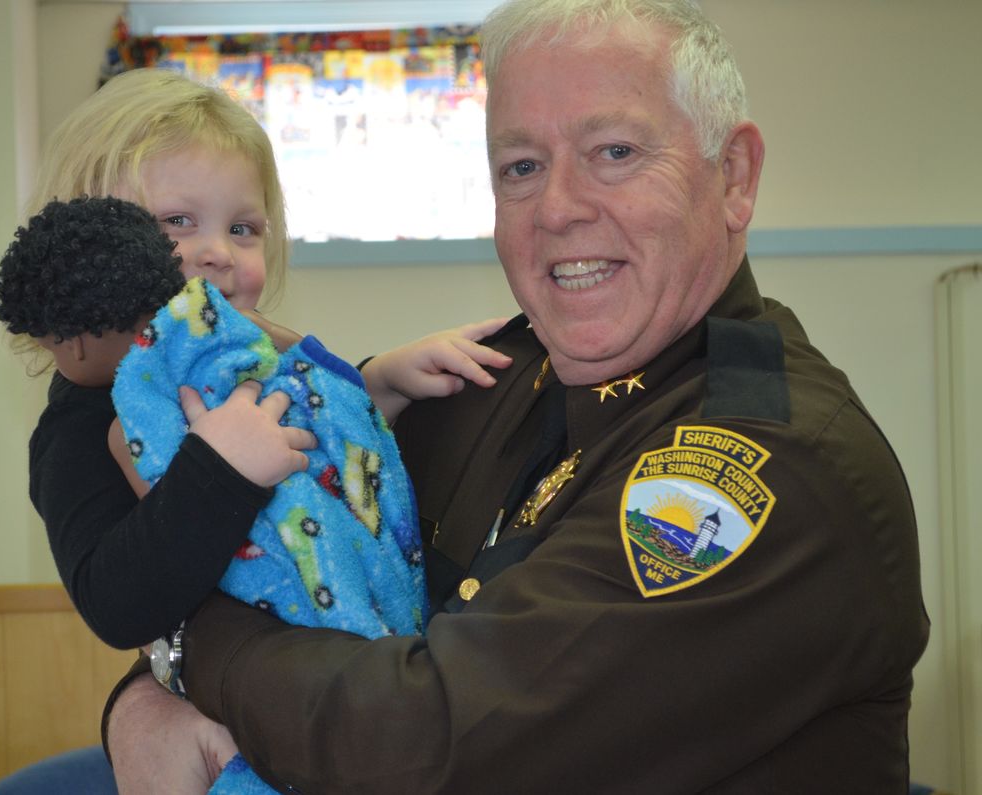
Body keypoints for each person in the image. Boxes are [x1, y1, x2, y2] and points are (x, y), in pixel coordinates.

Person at [105, 0, 930, 792]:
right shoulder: (480, 383)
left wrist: (179, 650)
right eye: (522, 167)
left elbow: (431, 744)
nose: (560, 208)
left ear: (735, 177)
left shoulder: (772, 468)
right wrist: (142, 700)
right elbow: (290, 579)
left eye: (615, 152)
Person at [0, 68, 509, 794]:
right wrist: (217, 470)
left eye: (242, 228)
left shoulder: (255, 356)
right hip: (216, 725)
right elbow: (115, 600)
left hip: (341, 684)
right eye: (176, 223)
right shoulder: (82, 421)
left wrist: (380, 380)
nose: (217, 253)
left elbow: (321, 454)